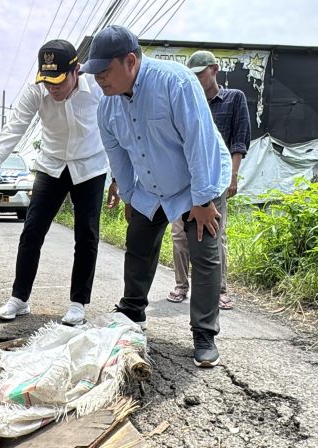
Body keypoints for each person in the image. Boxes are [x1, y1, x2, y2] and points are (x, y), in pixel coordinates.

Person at [83, 25, 231, 367]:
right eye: (95, 74)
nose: (99, 81)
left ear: (130, 61)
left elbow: (200, 140)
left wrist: (204, 199)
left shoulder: (174, 82)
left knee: (203, 251)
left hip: (199, 179)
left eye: (104, 72)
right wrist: (132, 197)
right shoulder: (108, 107)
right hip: (152, 185)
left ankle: (204, 332)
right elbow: (117, 155)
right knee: (138, 244)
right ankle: (133, 311)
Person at [0, 39, 108, 326]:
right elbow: (13, 130)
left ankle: (78, 303)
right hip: (52, 165)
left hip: (90, 166)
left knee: (86, 235)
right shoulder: (37, 91)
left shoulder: (97, 87)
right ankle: (19, 298)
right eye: (47, 82)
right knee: (32, 231)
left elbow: (117, 127)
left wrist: (120, 178)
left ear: (76, 71)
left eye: (59, 81)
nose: (53, 88)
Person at [167, 51, 251, 310]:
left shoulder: (233, 99)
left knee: (215, 233)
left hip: (217, 178)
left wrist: (233, 177)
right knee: (179, 233)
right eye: (192, 76)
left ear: (214, 70)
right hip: (186, 179)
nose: (196, 80)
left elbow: (239, 140)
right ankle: (182, 285)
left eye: (200, 74)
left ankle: (219, 289)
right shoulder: (186, 101)